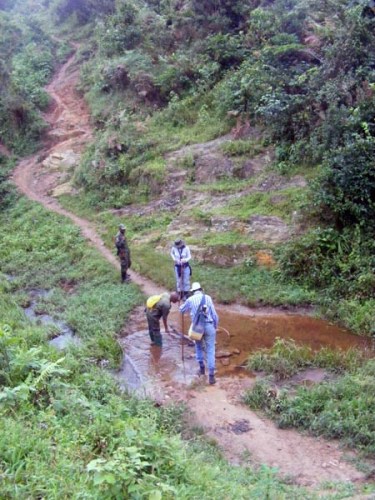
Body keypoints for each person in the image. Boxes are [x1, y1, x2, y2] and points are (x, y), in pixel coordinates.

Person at [179, 282, 219, 384]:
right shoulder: (208, 298)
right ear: (201, 290)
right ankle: (211, 376)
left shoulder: (190, 300)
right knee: (210, 350)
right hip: (209, 326)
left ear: (192, 291)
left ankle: (201, 369)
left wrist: (182, 303)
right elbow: (214, 315)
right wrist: (215, 326)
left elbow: (181, 310)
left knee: (198, 346)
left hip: (197, 327)